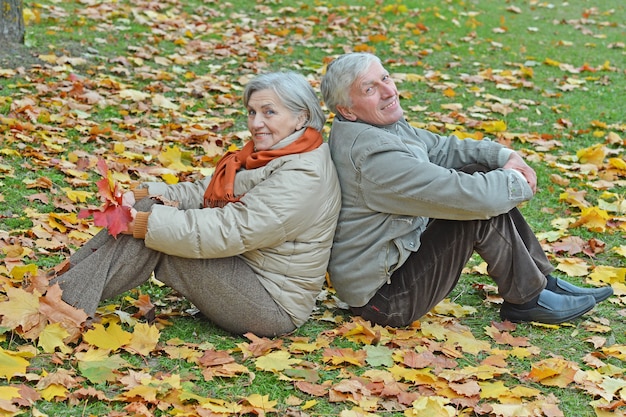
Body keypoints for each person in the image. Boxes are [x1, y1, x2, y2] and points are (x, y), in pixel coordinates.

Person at [320, 52, 612, 327]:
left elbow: (442, 148)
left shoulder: (380, 126)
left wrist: (503, 157)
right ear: (347, 109)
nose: (388, 92)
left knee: (478, 175)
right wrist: (517, 181)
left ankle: (541, 282)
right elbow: (468, 197)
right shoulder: (373, 157)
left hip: (397, 263)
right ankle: (528, 298)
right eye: (369, 89)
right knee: (473, 206)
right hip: (384, 300)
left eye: (385, 78)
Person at [52, 71, 341, 337]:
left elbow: (232, 229)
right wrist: (141, 195)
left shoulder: (304, 174)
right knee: (149, 212)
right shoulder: (273, 153)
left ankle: (59, 306)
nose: (256, 123)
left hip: (271, 306)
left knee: (154, 232)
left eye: (269, 112)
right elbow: (204, 192)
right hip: (243, 268)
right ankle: (58, 287)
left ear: (301, 117)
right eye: (252, 112)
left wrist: (143, 222)